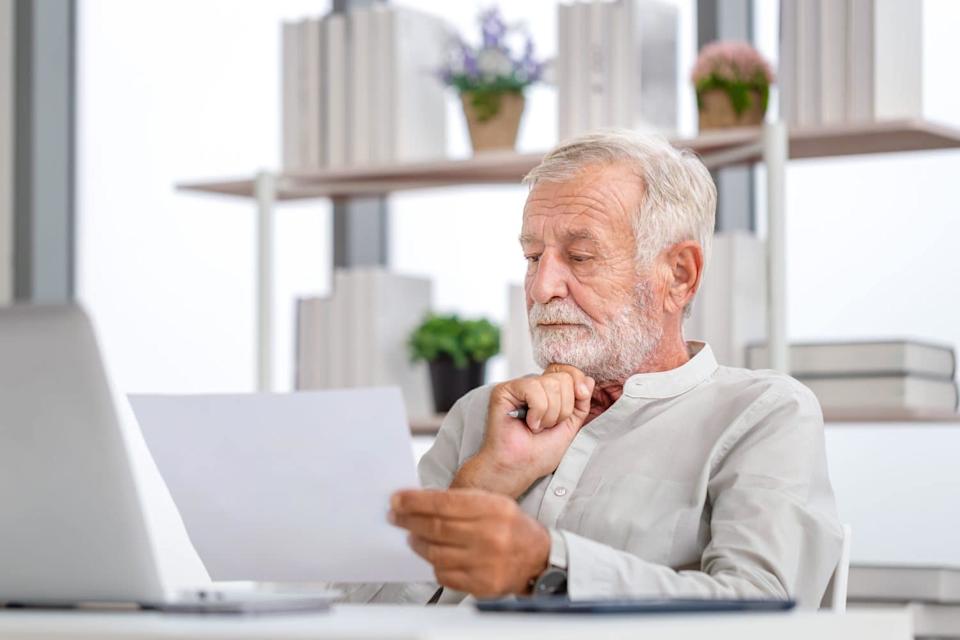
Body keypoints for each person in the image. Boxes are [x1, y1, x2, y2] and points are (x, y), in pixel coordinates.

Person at [353, 130, 842, 606]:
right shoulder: (481, 414)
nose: (542, 287)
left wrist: (545, 568)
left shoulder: (763, 414)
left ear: (678, 275)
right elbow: (357, 619)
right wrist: (487, 479)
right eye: (532, 256)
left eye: (580, 257)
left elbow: (764, 614)